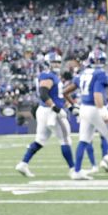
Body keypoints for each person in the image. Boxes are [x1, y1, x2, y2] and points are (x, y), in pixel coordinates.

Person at [15, 51, 77, 179]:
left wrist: (70, 107)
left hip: (44, 111)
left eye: (58, 62)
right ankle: (73, 169)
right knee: (65, 140)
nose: (56, 64)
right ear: (47, 62)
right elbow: (44, 93)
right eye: (54, 61)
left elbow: (57, 95)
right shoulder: (48, 76)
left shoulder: (52, 76)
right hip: (51, 112)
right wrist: (55, 108)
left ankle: (23, 163)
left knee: (40, 140)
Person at [72, 49, 108, 179]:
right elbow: (97, 94)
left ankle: (77, 171)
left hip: (84, 108)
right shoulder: (100, 74)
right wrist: (102, 109)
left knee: (84, 140)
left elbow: (66, 91)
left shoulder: (82, 73)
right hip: (95, 108)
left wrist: (72, 105)